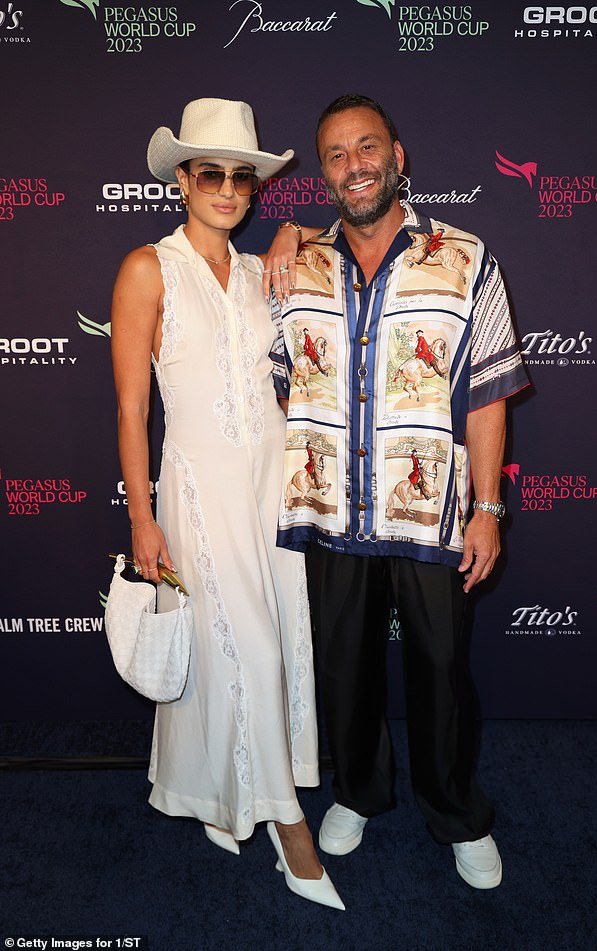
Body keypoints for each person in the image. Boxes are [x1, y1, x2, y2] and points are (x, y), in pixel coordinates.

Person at [271, 94, 530, 889]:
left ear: (399, 155)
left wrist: (487, 510)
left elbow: (486, 394)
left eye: (368, 146)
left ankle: (455, 810)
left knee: (441, 669)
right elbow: (286, 387)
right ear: (324, 173)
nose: (355, 164)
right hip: (332, 506)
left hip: (430, 512)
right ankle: (358, 790)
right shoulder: (295, 264)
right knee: (345, 667)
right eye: (337, 154)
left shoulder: (466, 256)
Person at [110, 97, 343, 911]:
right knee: (249, 647)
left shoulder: (257, 271)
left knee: (255, 644)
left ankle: (220, 797)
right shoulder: (148, 268)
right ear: (182, 178)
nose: (227, 188)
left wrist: (293, 233)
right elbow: (133, 409)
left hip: (268, 487)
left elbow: (355, 232)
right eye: (211, 172)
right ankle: (289, 827)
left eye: (242, 176)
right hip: (200, 487)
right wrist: (142, 516)